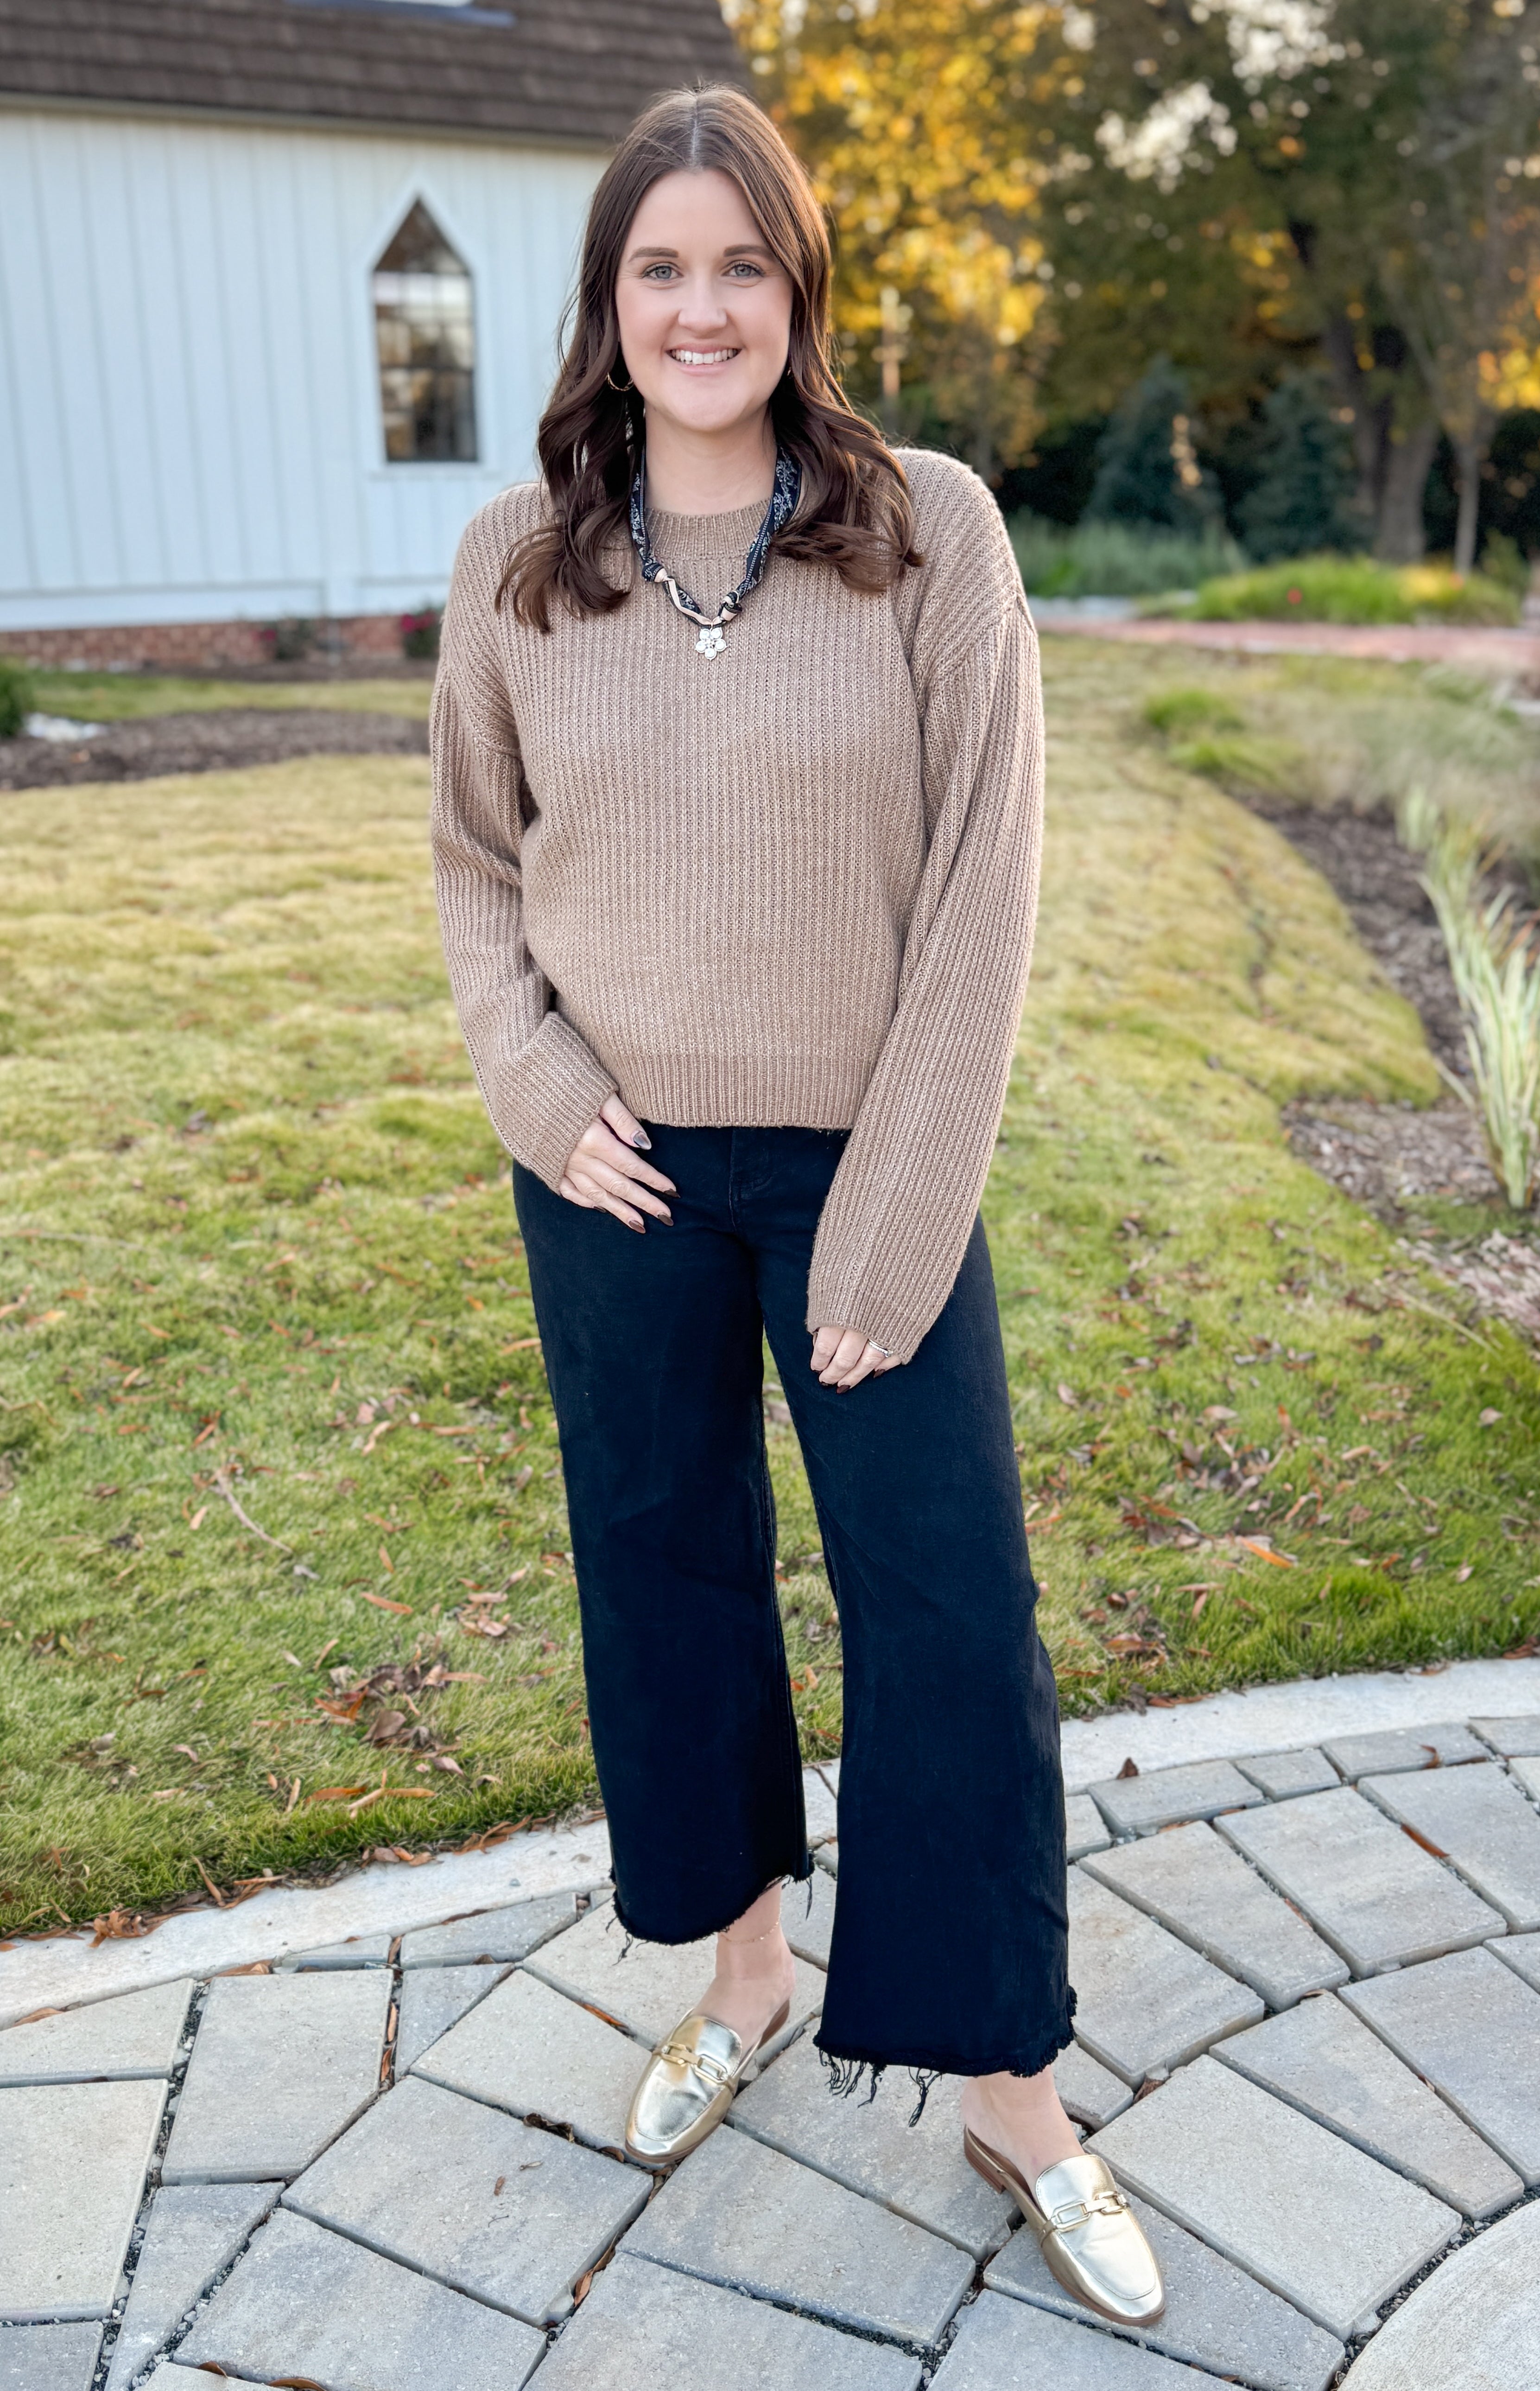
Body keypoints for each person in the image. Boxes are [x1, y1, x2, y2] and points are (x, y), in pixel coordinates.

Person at [430, 82, 1162, 2327]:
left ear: (799, 287)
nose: (700, 306)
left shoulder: (924, 533)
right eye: (660, 268)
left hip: (869, 1168)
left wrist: (899, 1209)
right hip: (617, 1174)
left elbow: (983, 896)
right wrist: (541, 1092)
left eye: (739, 262)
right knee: (670, 1576)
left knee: (946, 1613)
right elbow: (473, 864)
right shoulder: (519, 563)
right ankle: (739, 1976)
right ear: (609, 304)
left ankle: (1011, 2089)